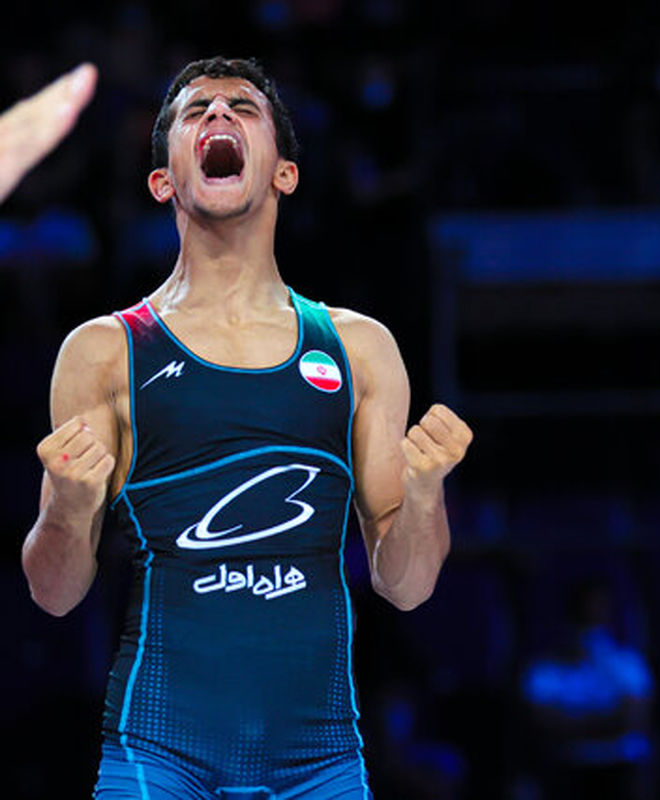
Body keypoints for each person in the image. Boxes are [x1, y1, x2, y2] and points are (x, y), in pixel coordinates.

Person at [20, 56, 472, 799]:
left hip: (319, 765)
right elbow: (55, 594)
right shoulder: (104, 352)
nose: (218, 116)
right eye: (195, 111)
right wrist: (69, 508)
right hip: (156, 759)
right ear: (163, 180)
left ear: (284, 175)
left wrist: (423, 495)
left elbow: (408, 586)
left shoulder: (357, 349)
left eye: (242, 107)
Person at [0, 62, 96, 204]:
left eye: (34, 71)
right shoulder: (6, 102)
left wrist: (44, 184)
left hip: (56, 200)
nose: (29, 76)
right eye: (25, 72)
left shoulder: (68, 123)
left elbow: (76, 160)